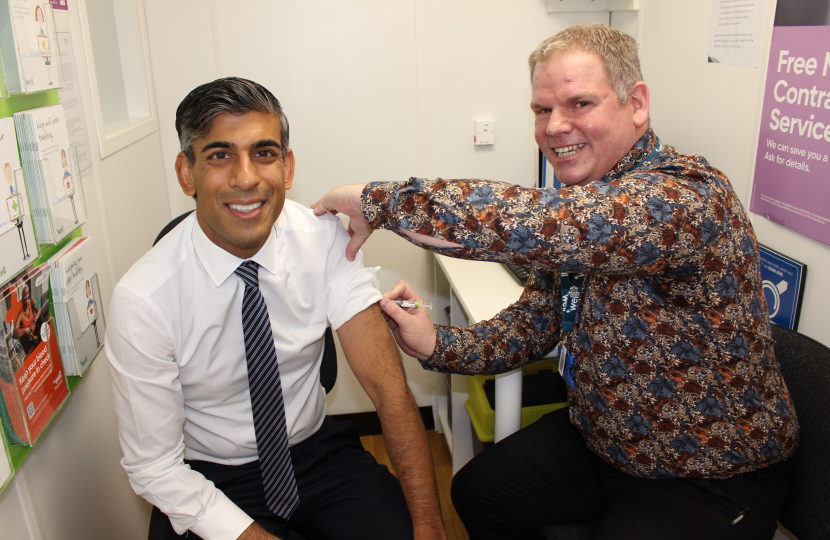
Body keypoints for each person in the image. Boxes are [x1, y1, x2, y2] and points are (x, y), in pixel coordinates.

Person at [312, 24, 799, 540]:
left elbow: (536, 222)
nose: (555, 127)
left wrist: (376, 199)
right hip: (605, 443)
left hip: (707, 470)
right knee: (478, 493)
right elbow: (536, 321)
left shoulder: (684, 198)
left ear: (637, 104)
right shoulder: (587, 204)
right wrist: (438, 344)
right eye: (542, 110)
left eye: (580, 103)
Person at [105, 78, 445, 540]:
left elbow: (388, 389)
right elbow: (154, 468)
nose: (246, 178)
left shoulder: (324, 239)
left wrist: (428, 526)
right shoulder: (143, 299)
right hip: (209, 476)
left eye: (263, 153)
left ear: (286, 167)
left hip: (315, 453)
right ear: (187, 173)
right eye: (220, 155)